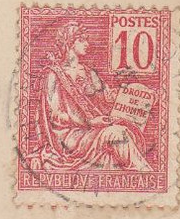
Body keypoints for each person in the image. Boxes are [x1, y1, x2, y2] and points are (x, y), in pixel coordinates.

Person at [33, 21, 152, 173]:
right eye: (82, 40)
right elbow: (55, 115)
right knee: (116, 133)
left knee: (123, 131)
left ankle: (142, 174)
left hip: (92, 130)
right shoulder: (53, 75)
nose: (87, 44)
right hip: (69, 136)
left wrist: (139, 93)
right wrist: (88, 122)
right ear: (70, 42)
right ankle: (144, 173)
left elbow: (108, 97)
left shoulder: (89, 72)